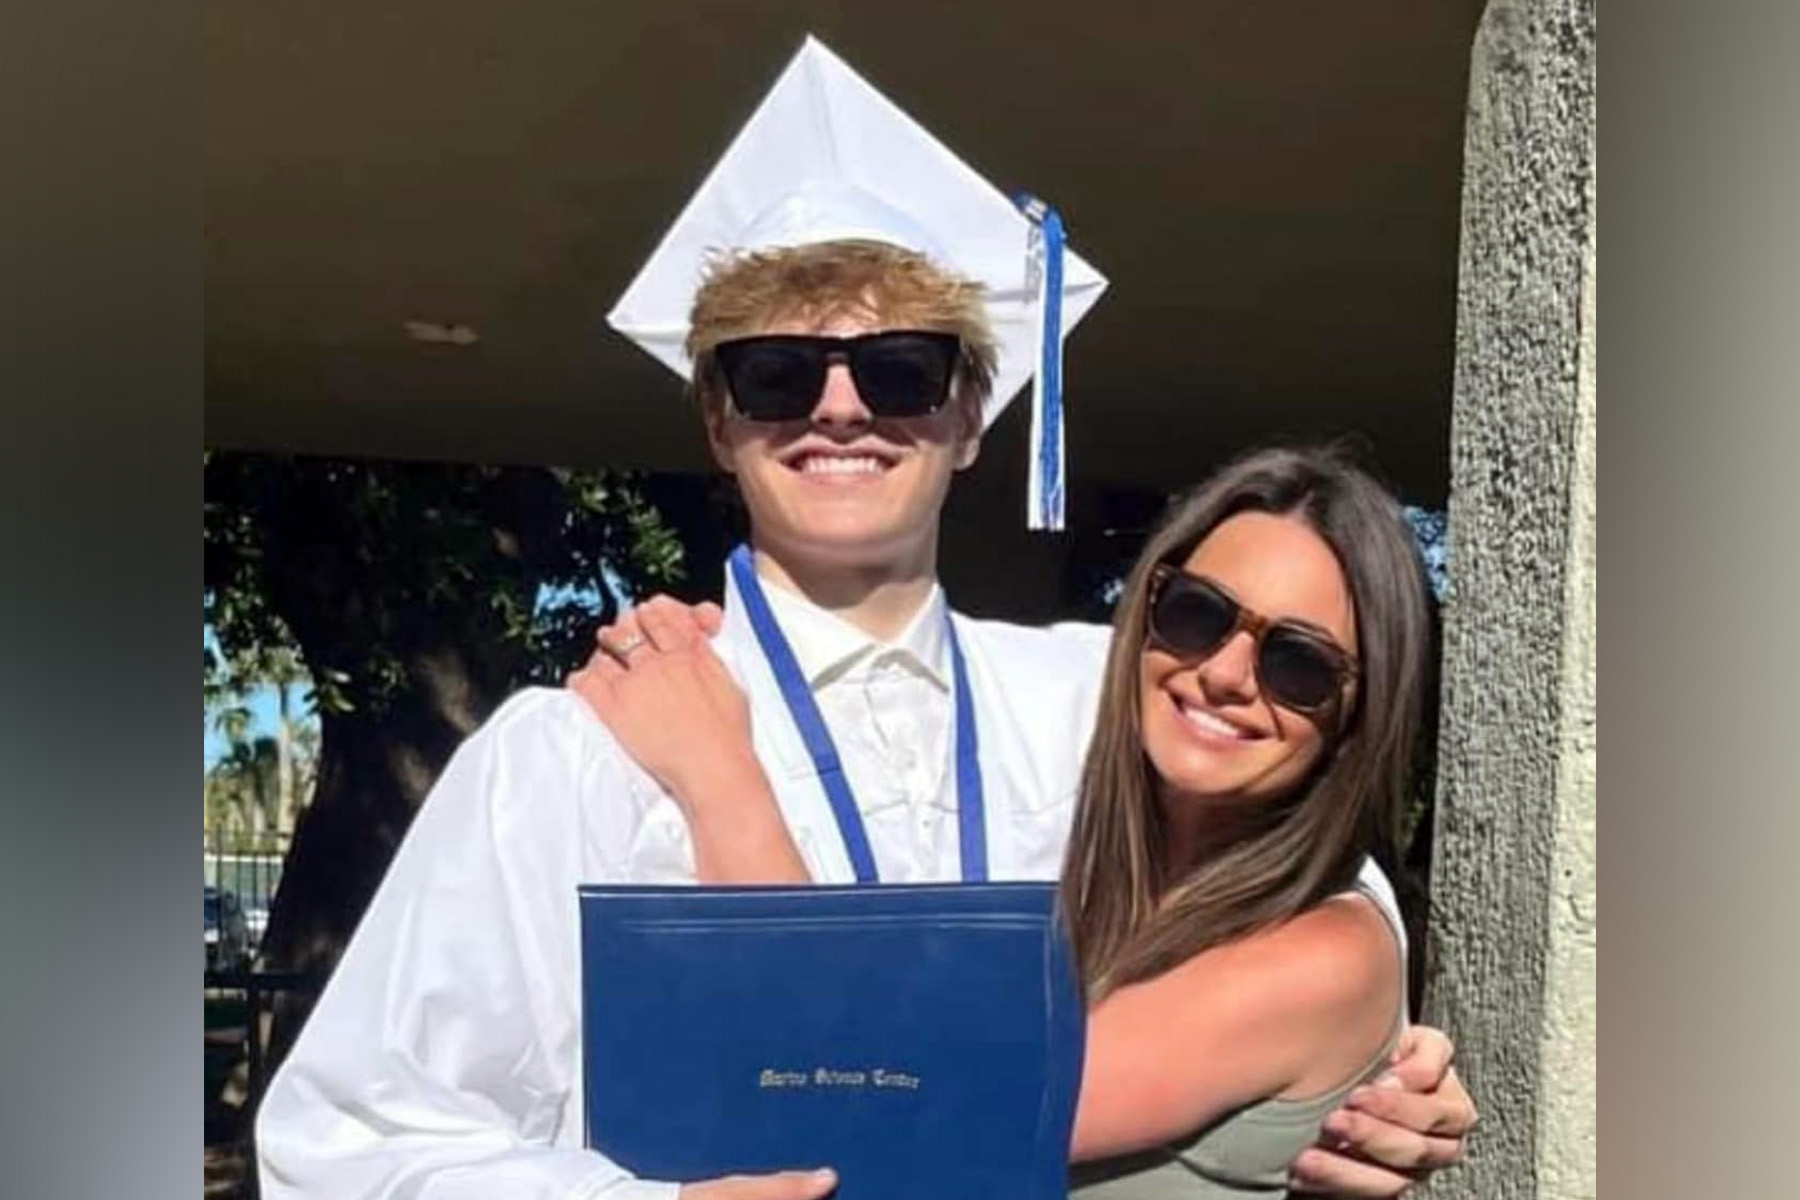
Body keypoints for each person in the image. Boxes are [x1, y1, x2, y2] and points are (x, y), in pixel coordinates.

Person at [256, 36, 1472, 1200]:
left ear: (970, 415)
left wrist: (1384, 1067)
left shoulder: (1084, 700)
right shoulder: (575, 749)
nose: (841, 411)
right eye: (775, 373)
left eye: (901, 370)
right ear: (718, 423)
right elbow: (351, 1141)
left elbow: (1300, 865)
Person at [571, 445, 1435, 1198]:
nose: (1224, 674)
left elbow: (892, 1106)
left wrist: (719, 776)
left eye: (1298, 665)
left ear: (1358, 720)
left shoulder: (1327, 956)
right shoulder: (1102, 855)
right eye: (1197, 614)